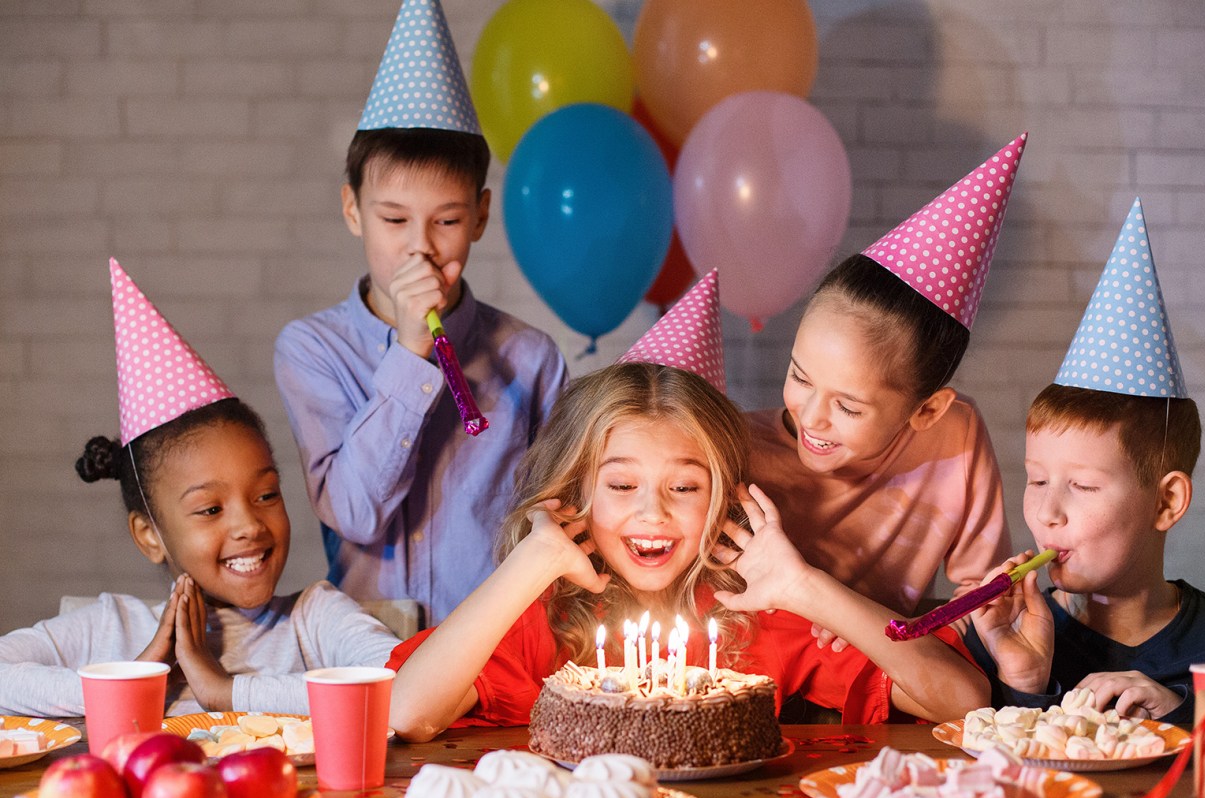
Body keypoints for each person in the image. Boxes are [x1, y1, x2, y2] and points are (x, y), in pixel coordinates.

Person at [384, 277, 989, 741]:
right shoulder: (541, 618)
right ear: (575, 494)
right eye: (621, 486)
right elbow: (407, 715)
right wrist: (531, 559)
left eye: (684, 487)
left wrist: (803, 586)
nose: (654, 514)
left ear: (723, 500)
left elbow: (964, 702)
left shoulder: (751, 618)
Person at [273, 0, 567, 627]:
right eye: (394, 219)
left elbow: (557, 519)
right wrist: (410, 353)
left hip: (494, 648)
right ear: (352, 210)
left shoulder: (531, 358)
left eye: (448, 221)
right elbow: (354, 513)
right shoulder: (311, 349)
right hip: (365, 648)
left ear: (481, 217)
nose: (420, 246)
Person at [0, 261, 400, 718]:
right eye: (211, 509)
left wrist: (223, 691)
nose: (249, 524)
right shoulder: (111, 627)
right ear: (150, 535)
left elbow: (400, 683)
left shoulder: (314, 619)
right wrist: (137, 675)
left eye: (266, 495)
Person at [966, 200, 1205, 723]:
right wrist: (1023, 684)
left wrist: (1184, 713)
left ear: (1167, 500)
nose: (1046, 513)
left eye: (1082, 487)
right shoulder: (997, 636)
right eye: (1037, 479)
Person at [746, 136, 1028, 626]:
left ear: (927, 410)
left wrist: (899, 632)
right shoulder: (734, 446)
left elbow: (978, 600)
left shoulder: (955, 436)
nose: (811, 416)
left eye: (848, 407)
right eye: (799, 376)